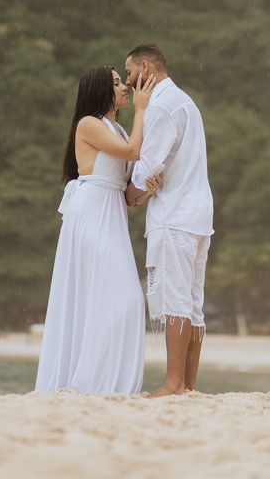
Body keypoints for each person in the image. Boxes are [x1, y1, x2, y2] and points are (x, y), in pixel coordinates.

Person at [35, 66, 161, 395]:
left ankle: (102, 381)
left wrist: (148, 189)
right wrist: (142, 108)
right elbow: (134, 151)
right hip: (91, 214)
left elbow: (130, 197)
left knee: (118, 299)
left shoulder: (118, 128)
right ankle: (93, 382)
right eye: (117, 83)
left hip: (113, 213)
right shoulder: (89, 125)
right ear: (102, 91)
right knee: (125, 297)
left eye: (123, 81)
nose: (125, 88)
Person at [124, 43, 214, 397]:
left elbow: (147, 167)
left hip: (174, 214)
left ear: (145, 67)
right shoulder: (185, 101)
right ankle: (188, 385)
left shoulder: (160, 106)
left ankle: (173, 383)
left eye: (130, 74)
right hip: (197, 214)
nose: (129, 83)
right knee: (193, 303)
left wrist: (133, 195)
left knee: (176, 300)